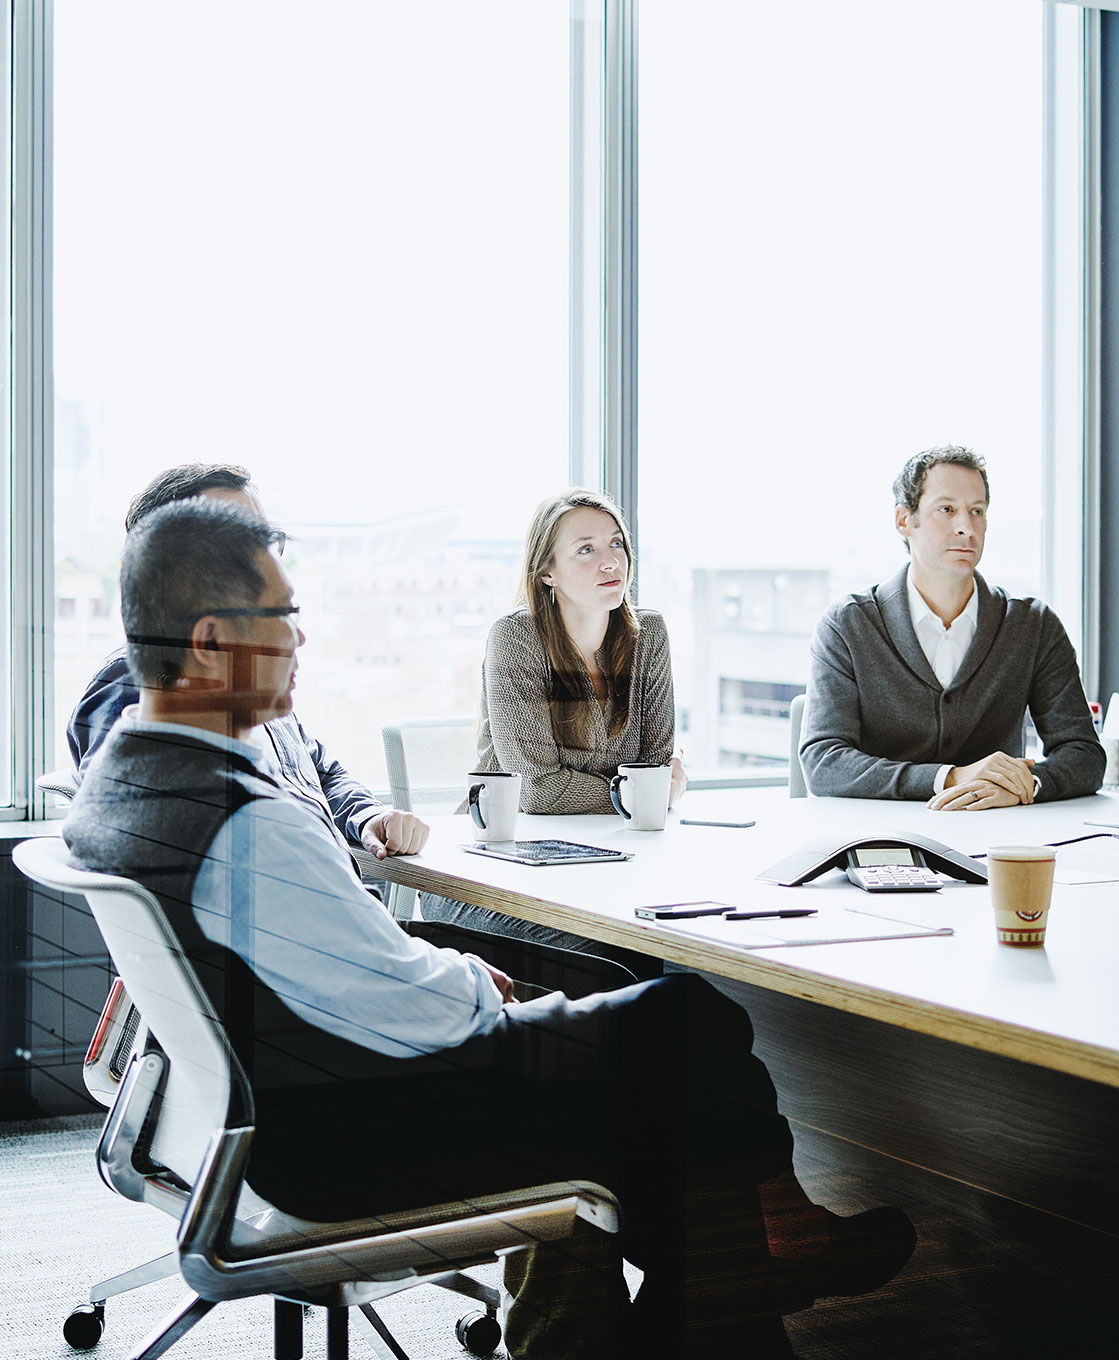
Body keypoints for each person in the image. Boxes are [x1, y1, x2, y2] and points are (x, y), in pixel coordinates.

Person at [64, 499, 914, 1358]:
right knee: (685, 1021)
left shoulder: (132, 779)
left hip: (275, 1105)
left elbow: (340, 966)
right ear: (210, 641)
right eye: (284, 616)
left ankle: (695, 1296)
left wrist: (452, 973)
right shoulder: (246, 819)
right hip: (347, 1133)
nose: (302, 641)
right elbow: (415, 1009)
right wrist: (474, 979)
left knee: (640, 1039)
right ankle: (735, 1285)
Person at [69, 462, 427, 862]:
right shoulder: (139, 679)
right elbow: (130, 827)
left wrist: (366, 815)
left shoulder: (246, 680)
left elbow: (319, 770)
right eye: (238, 538)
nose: (261, 555)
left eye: (264, 537)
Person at [419, 489, 683, 950]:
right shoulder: (516, 638)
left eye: (616, 543)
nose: (610, 562)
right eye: (586, 549)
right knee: (617, 949)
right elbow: (538, 791)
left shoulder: (648, 635)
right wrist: (641, 795)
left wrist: (645, 792)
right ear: (547, 573)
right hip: (489, 873)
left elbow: (655, 769)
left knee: (674, 935)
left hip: (606, 862)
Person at [800, 445, 1104, 809]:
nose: (966, 527)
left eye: (977, 511)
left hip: (996, 837)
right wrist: (952, 777)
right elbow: (824, 762)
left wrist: (1026, 784)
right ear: (904, 520)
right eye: (947, 510)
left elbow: (1085, 754)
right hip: (882, 841)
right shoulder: (848, 625)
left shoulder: (1032, 625)